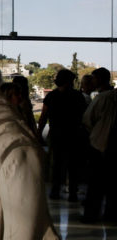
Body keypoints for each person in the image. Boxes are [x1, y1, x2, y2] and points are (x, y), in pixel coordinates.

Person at [36, 69, 87, 201]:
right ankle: (73, 193)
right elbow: (84, 117)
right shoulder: (78, 96)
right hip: (74, 135)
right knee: (73, 165)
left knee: (57, 164)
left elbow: (43, 117)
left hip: (56, 135)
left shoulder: (51, 96)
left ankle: (55, 191)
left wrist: (38, 133)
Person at [81, 68, 117, 222]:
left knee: (95, 184)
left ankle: (91, 215)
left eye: (94, 79)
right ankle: (111, 215)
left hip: (99, 144)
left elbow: (88, 120)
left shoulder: (101, 98)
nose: (92, 81)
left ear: (100, 80)